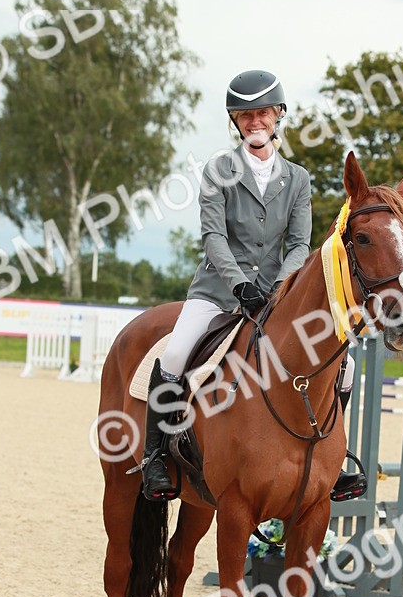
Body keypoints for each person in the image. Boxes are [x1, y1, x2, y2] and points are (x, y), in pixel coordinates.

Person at [141, 68, 358, 501]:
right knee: (176, 353)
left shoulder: (297, 178)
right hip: (218, 292)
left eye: (262, 113)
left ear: (279, 115)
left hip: (277, 297)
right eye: (244, 116)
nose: (254, 121)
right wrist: (239, 285)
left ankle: (334, 458)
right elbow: (213, 236)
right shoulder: (219, 169)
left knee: (346, 365)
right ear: (235, 122)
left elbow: (299, 243)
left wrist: (281, 287)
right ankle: (156, 456)